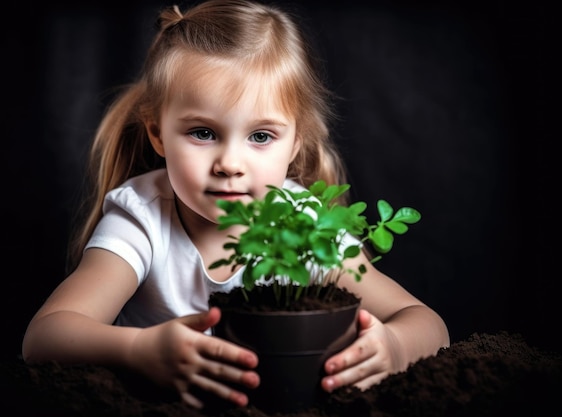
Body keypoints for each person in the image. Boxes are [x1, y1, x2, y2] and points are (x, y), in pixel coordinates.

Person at [22, 0, 450, 410]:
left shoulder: (305, 224)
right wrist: (140, 349)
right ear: (157, 134)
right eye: (203, 133)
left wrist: (394, 346)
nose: (230, 164)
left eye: (261, 136)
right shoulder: (143, 218)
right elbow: (44, 337)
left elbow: (428, 324)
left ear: (294, 142)